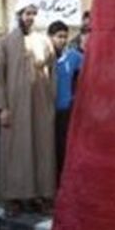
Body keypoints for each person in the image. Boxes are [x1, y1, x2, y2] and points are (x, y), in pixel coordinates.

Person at [0, 3, 56, 215]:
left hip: (40, 107)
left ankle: (40, 195)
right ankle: (14, 198)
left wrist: (51, 103)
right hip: (15, 108)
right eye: (27, 14)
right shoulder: (6, 42)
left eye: (33, 14)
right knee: (15, 151)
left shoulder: (44, 41)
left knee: (42, 150)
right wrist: (2, 107)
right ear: (19, 15)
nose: (30, 18)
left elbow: (52, 73)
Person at [49, 21, 82, 185]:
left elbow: (86, 72)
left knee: (64, 147)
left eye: (64, 36)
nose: (62, 40)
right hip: (47, 111)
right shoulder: (44, 57)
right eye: (58, 37)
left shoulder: (73, 56)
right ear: (50, 37)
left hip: (65, 110)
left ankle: (63, 182)